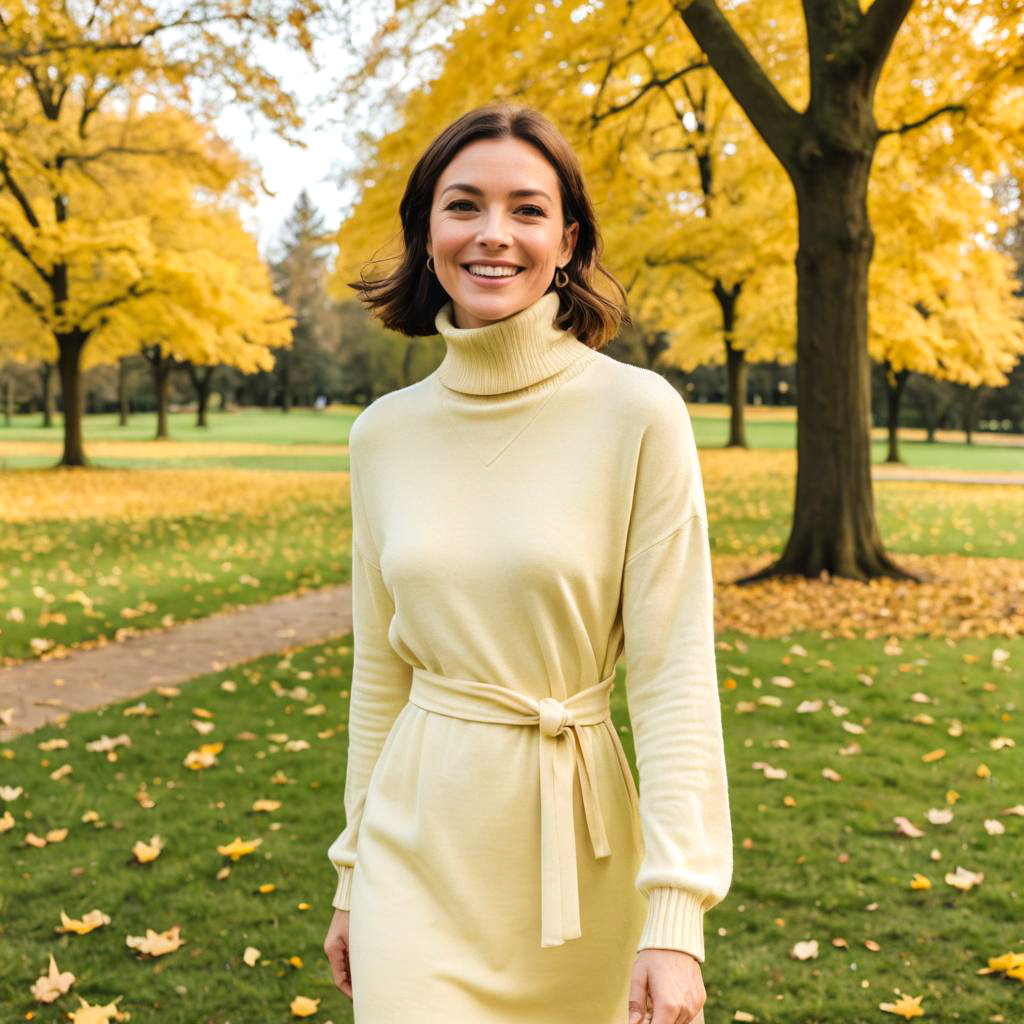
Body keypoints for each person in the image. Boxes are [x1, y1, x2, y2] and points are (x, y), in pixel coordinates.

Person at [322, 102, 732, 1024]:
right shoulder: (380, 436)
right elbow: (378, 675)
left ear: (568, 238)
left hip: (580, 862)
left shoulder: (639, 414)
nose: (494, 235)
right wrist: (352, 873)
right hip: (413, 854)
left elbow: (673, 678)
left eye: (528, 209)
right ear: (427, 233)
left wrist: (676, 914)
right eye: (464, 205)